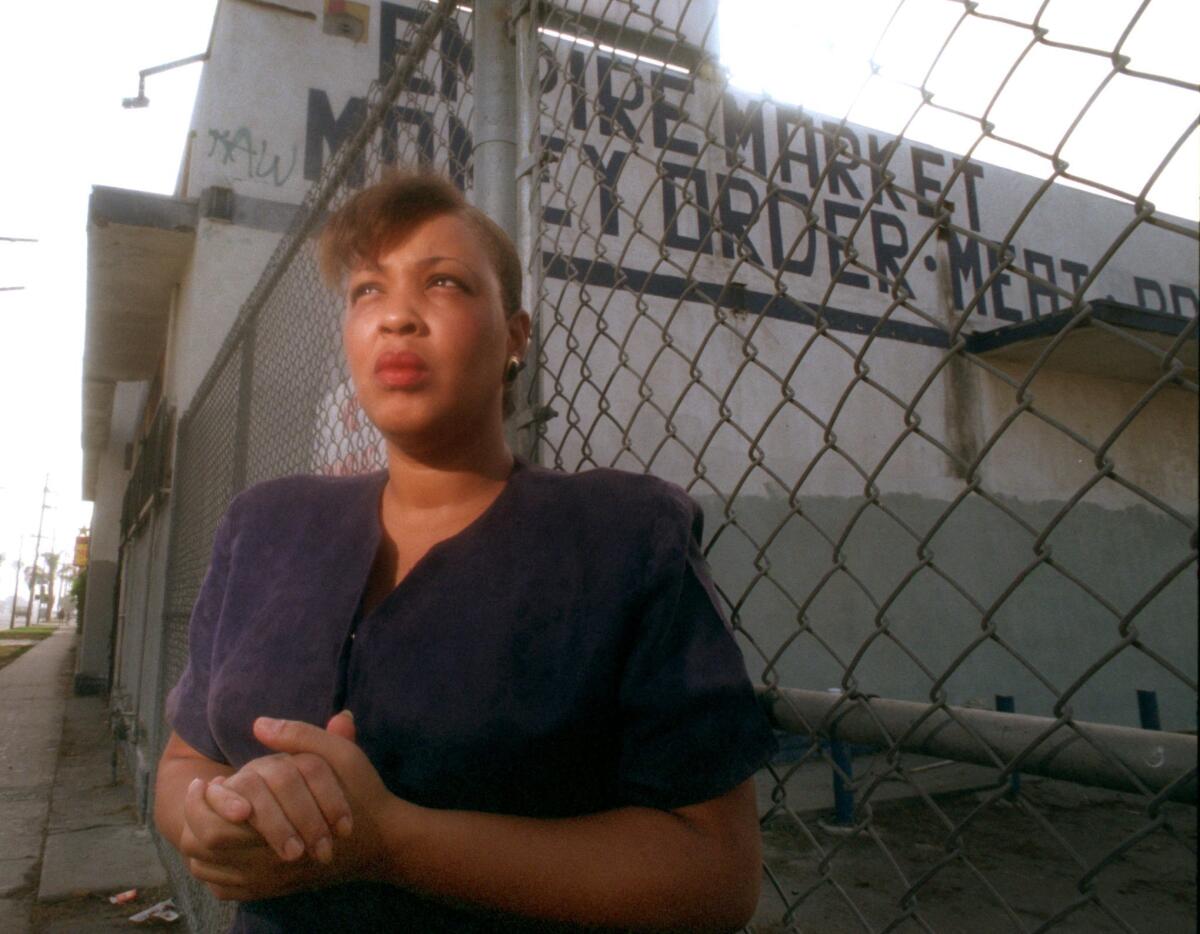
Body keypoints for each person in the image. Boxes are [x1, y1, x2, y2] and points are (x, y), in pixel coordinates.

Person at [154, 170, 778, 932]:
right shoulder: (264, 526)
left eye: (443, 283)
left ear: (515, 337)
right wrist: (209, 821)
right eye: (367, 292)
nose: (397, 318)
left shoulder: (620, 538)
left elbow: (714, 875)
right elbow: (185, 763)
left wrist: (391, 843)